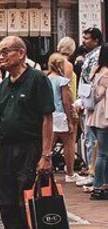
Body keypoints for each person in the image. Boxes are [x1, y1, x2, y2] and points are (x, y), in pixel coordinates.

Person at [0, 36, 55, 229]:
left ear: (21, 53)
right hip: (5, 150)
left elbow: (47, 118)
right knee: (6, 203)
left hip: (29, 148)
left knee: (27, 201)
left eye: (5, 52)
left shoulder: (38, 79)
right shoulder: (3, 85)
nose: (0, 57)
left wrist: (46, 155)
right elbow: (1, 120)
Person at [77, 27, 103, 188]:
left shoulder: (97, 56)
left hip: (92, 101)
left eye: (87, 38)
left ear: (96, 40)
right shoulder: (89, 55)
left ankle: (94, 174)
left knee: (93, 141)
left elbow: (91, 81)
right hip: (87, 100)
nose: (84, 41)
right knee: (90, 139)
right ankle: (92, 171)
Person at [47, 53, 78, 182]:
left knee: (48, 145)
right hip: (60, 114)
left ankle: (44, 171)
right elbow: (66, 101)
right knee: (68, 143)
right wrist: (70, 120)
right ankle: (70, 173)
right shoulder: (62, 81)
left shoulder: (46, 79)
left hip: (49, 114)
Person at [86, 44, 108, 200]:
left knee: (102, 152)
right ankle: (99, 186)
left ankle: (102, 185)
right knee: (103, 154)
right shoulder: (106, 73)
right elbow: (102, 94)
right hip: (103, 116)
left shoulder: (95, 70)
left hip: (93, 115)